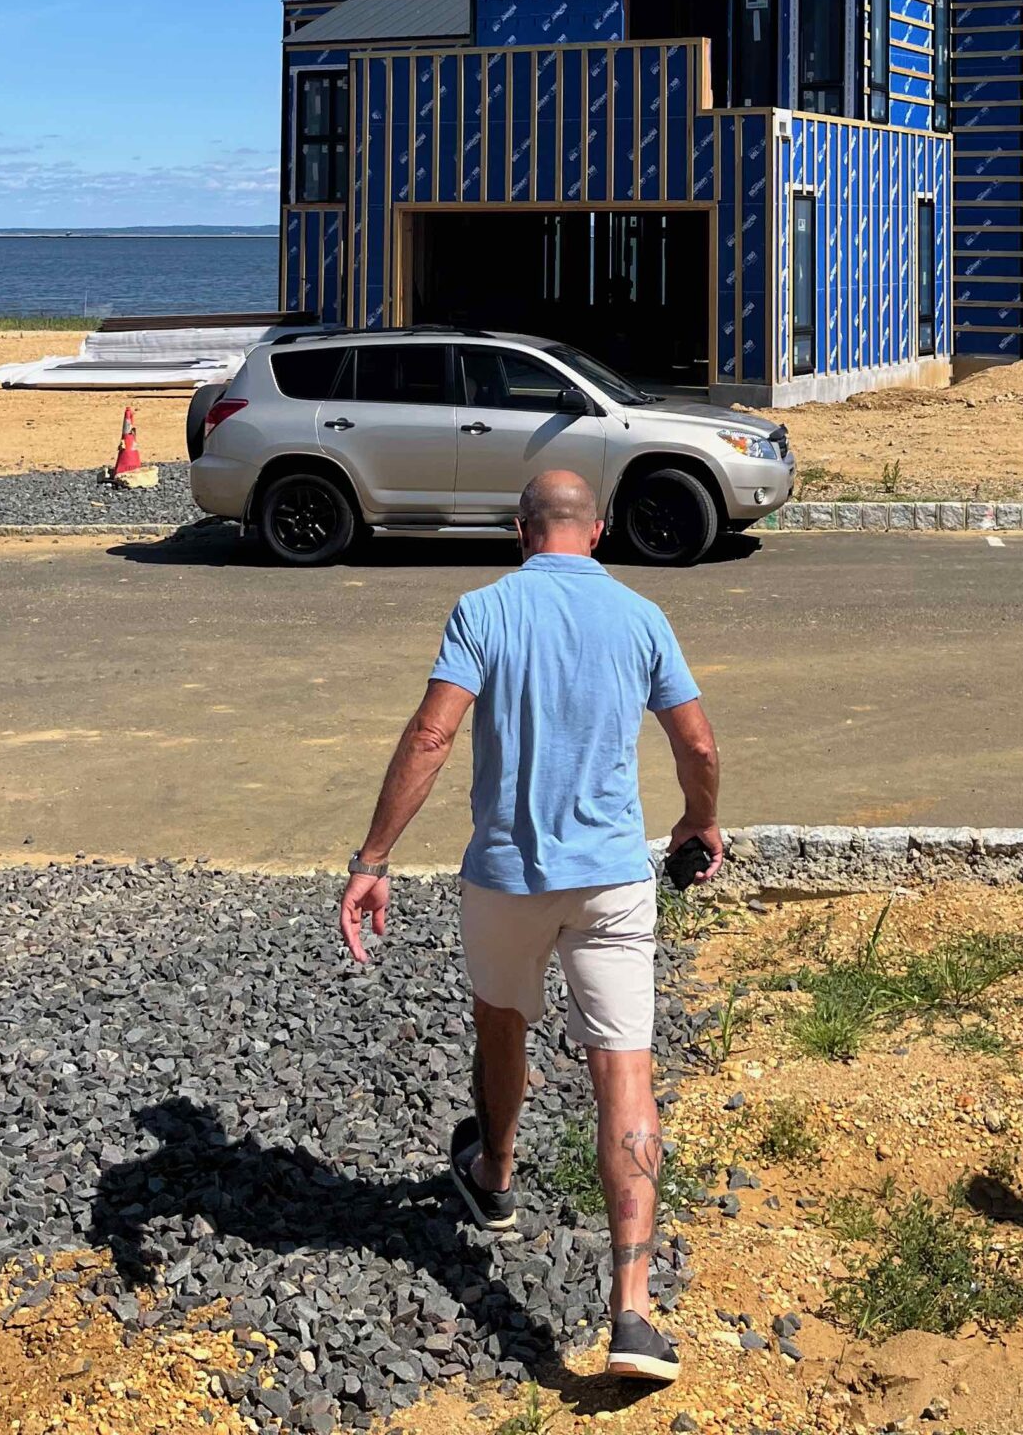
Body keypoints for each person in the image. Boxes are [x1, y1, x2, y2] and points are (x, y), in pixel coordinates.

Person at [338, 466, 722, 1385]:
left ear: (521, 531)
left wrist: (373, 859)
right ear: (596, 533)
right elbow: (697, 743)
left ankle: (495, 1175)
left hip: (507, 879)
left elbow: (432, 736)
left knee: (501, 1025)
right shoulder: (640, 617)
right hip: (614, 884)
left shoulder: (483, 610)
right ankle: (631, 1314)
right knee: (623, 1070)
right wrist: (698, 820)